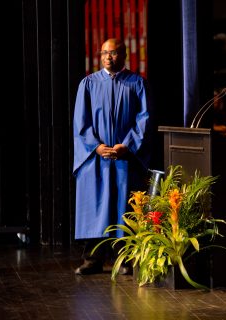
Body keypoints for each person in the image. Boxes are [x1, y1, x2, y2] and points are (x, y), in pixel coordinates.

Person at [72, 38, 153, 275]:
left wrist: (126, 145)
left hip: (124, 157)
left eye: (114, 52)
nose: (109, 57)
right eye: (105, 52)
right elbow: (81, 122)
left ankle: (126, 260)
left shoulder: (137, 83)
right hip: (95, 157)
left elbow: (144, 118)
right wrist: (96, 146)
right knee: (95, 208)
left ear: (124, 54)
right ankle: (92, 260)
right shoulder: (88, 84)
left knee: (123, 207)